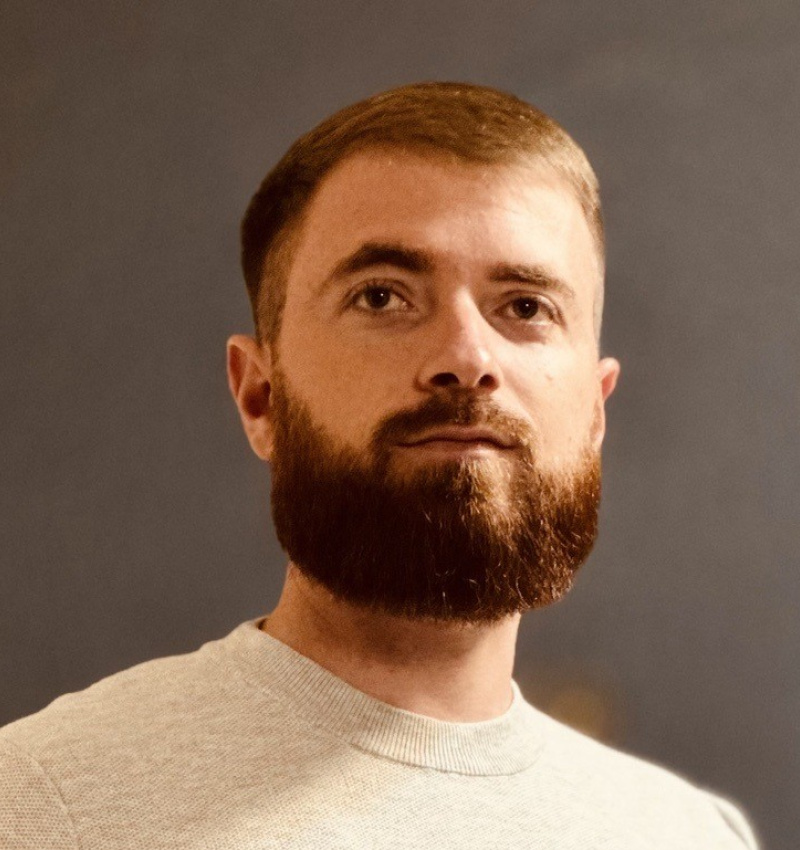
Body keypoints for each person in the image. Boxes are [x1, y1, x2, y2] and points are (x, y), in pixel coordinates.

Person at [0, 81, 758, 849]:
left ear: (594, 411)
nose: (467, 357)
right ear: (261, 397)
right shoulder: (43, 807)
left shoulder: (689, 834)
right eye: (382, 297)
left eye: (526, 306)